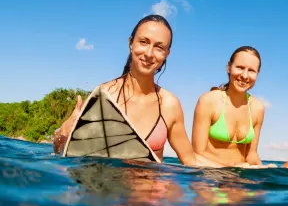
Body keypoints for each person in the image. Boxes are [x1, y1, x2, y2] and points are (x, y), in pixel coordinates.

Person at [52, 14, 214, 167]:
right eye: (143, 42)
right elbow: (64, 153)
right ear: (131, 43)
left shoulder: (169, 104)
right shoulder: (105, 95)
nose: (149, 53)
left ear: (167, 53)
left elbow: (190, 160)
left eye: (159, 47)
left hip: (152, 194)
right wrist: (63, 133)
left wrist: (234, 169)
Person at [191, 46, 268, 167]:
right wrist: (231, 167)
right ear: (229, 67)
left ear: (257, 73)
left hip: (239, 180)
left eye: (251, 70)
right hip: (209, 177)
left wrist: (265, 170)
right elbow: (197, 152)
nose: (245, 75)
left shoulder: (257, 108)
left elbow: (251, 154)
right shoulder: (209, 101)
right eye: (240, 68)